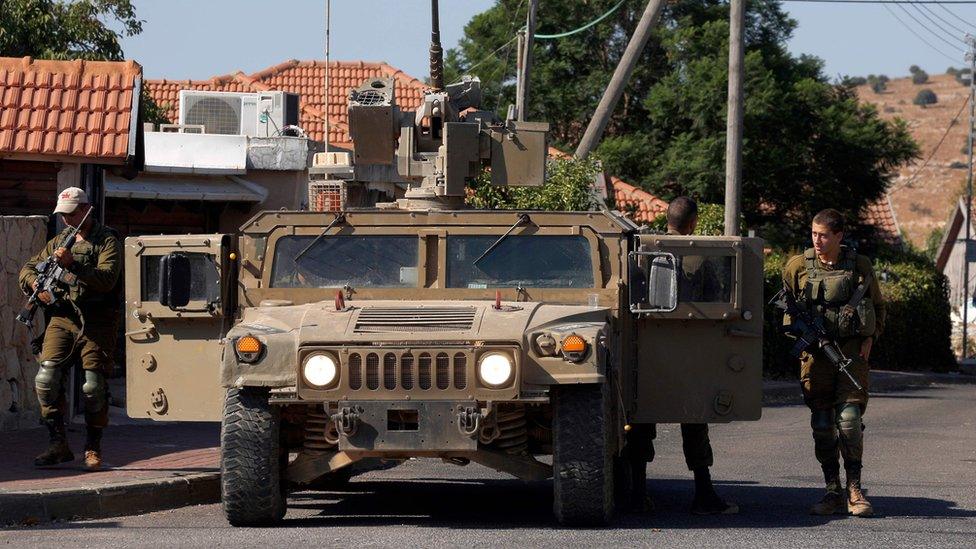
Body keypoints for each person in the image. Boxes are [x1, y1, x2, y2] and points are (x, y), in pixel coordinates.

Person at [626, 196, 738, 515]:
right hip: (689, 349)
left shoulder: (643, 251)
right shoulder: (700, 254)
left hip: (647, 348)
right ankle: (703, 494)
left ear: (667, 220)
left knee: (641, 420)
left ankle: (637, 495)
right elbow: (718, 297)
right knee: (694, 422)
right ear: (693, 223)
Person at [781, 208, 885, 517]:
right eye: (814, 234)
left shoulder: (859, 266)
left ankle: (855, 488)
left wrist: (870, 338)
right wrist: (801, 336)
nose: (817, 240)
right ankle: (832, 491)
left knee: (850, 422)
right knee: (823, 425)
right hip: (815, 359)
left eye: (824, 235)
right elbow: (787, 310)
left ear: (839, 236)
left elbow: (878, 308)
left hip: (851, 356)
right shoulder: (797, 267)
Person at [18, 187, 122, 471]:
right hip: (63, 318)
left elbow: (107, 280)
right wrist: (34, 287)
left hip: (97, 320)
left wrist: (73, 265)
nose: (65, 220)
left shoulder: (107, 240)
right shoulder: (60, 240)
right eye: (62, 215)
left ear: (86, 209)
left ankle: (92, 446)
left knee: (92, 387)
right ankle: (57, 444)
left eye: (71, 214)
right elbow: (27, 268)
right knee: (46, 378)